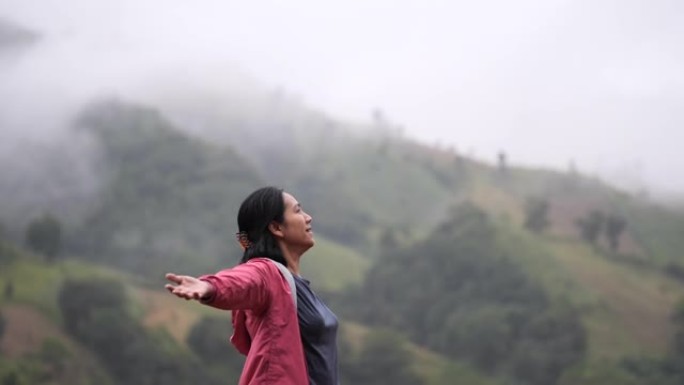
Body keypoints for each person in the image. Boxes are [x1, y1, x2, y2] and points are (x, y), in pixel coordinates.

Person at [165, 186, 339, 385]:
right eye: (298, 211)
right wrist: (209, 287)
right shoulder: (267, 273)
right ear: (277, 228)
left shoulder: (296, 285)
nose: (308, 217)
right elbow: (242, 280)